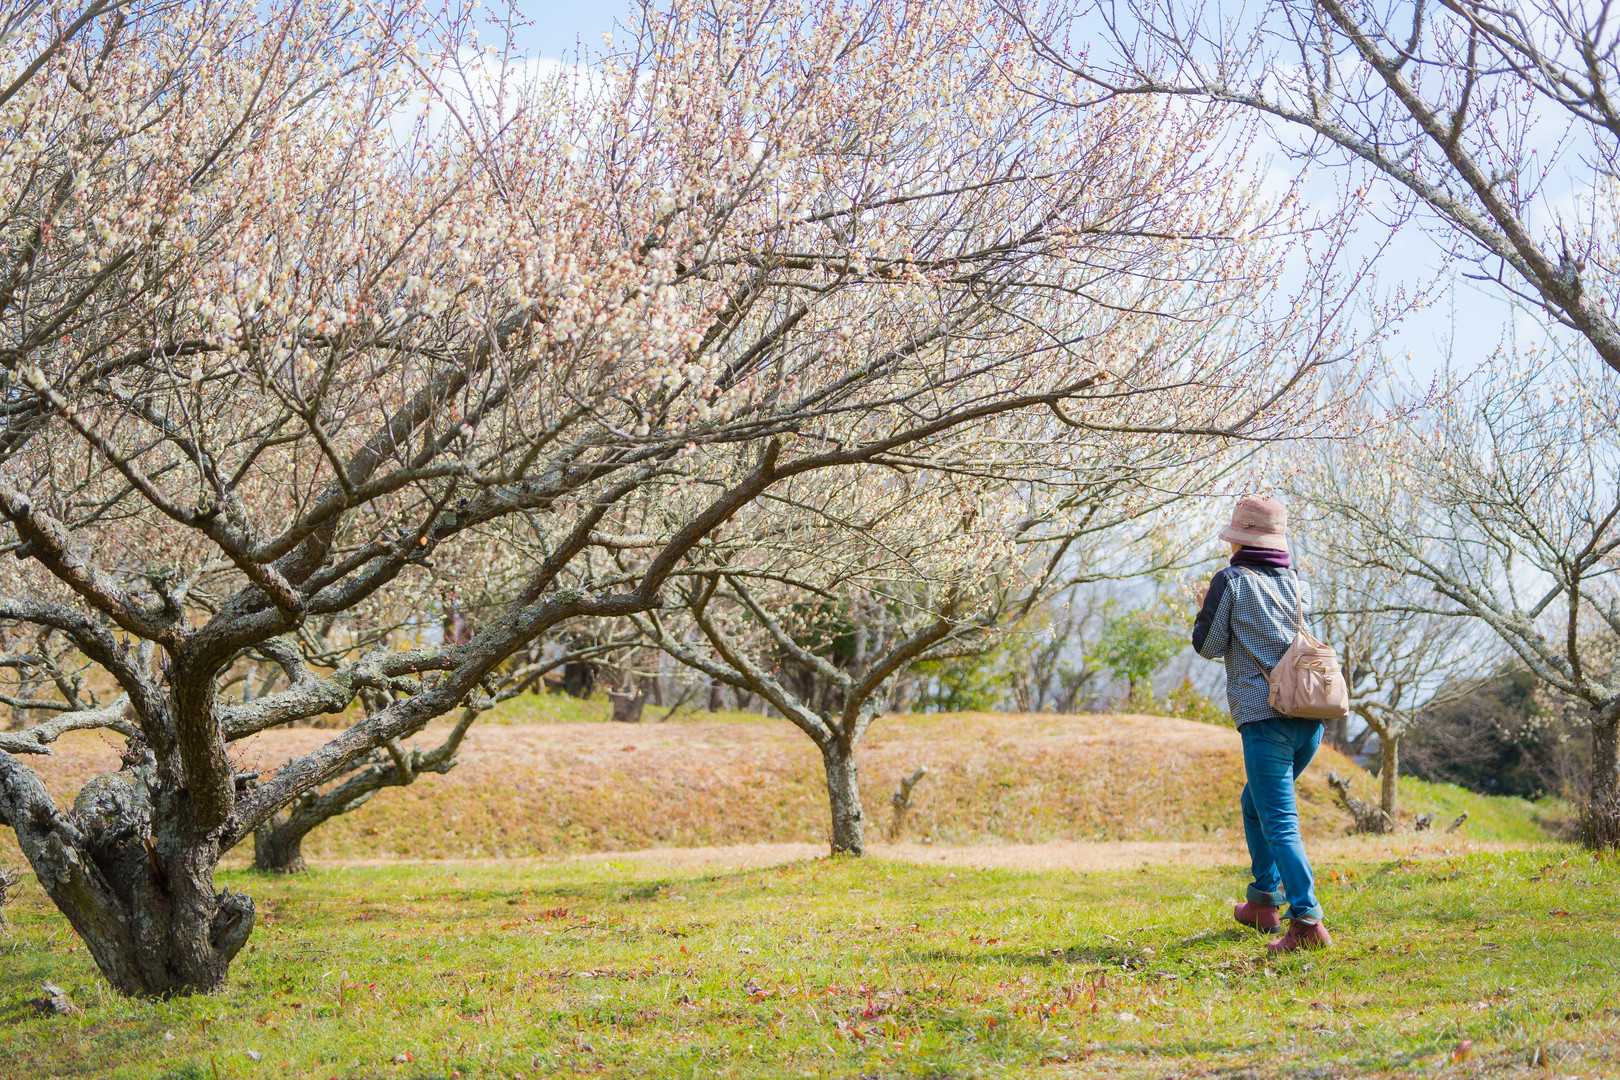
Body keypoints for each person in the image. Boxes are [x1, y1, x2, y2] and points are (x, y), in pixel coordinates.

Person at [1191, 494, 1333, 953]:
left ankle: (1306, 922)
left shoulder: (1230, 581)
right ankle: (1263, 902)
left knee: (1279, 822)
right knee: (1255, 804)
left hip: (1265, 720)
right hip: (1309, 718)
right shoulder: (1297, 582)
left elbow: (1208, 646)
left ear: (1239, 540)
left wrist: (1206, 609)